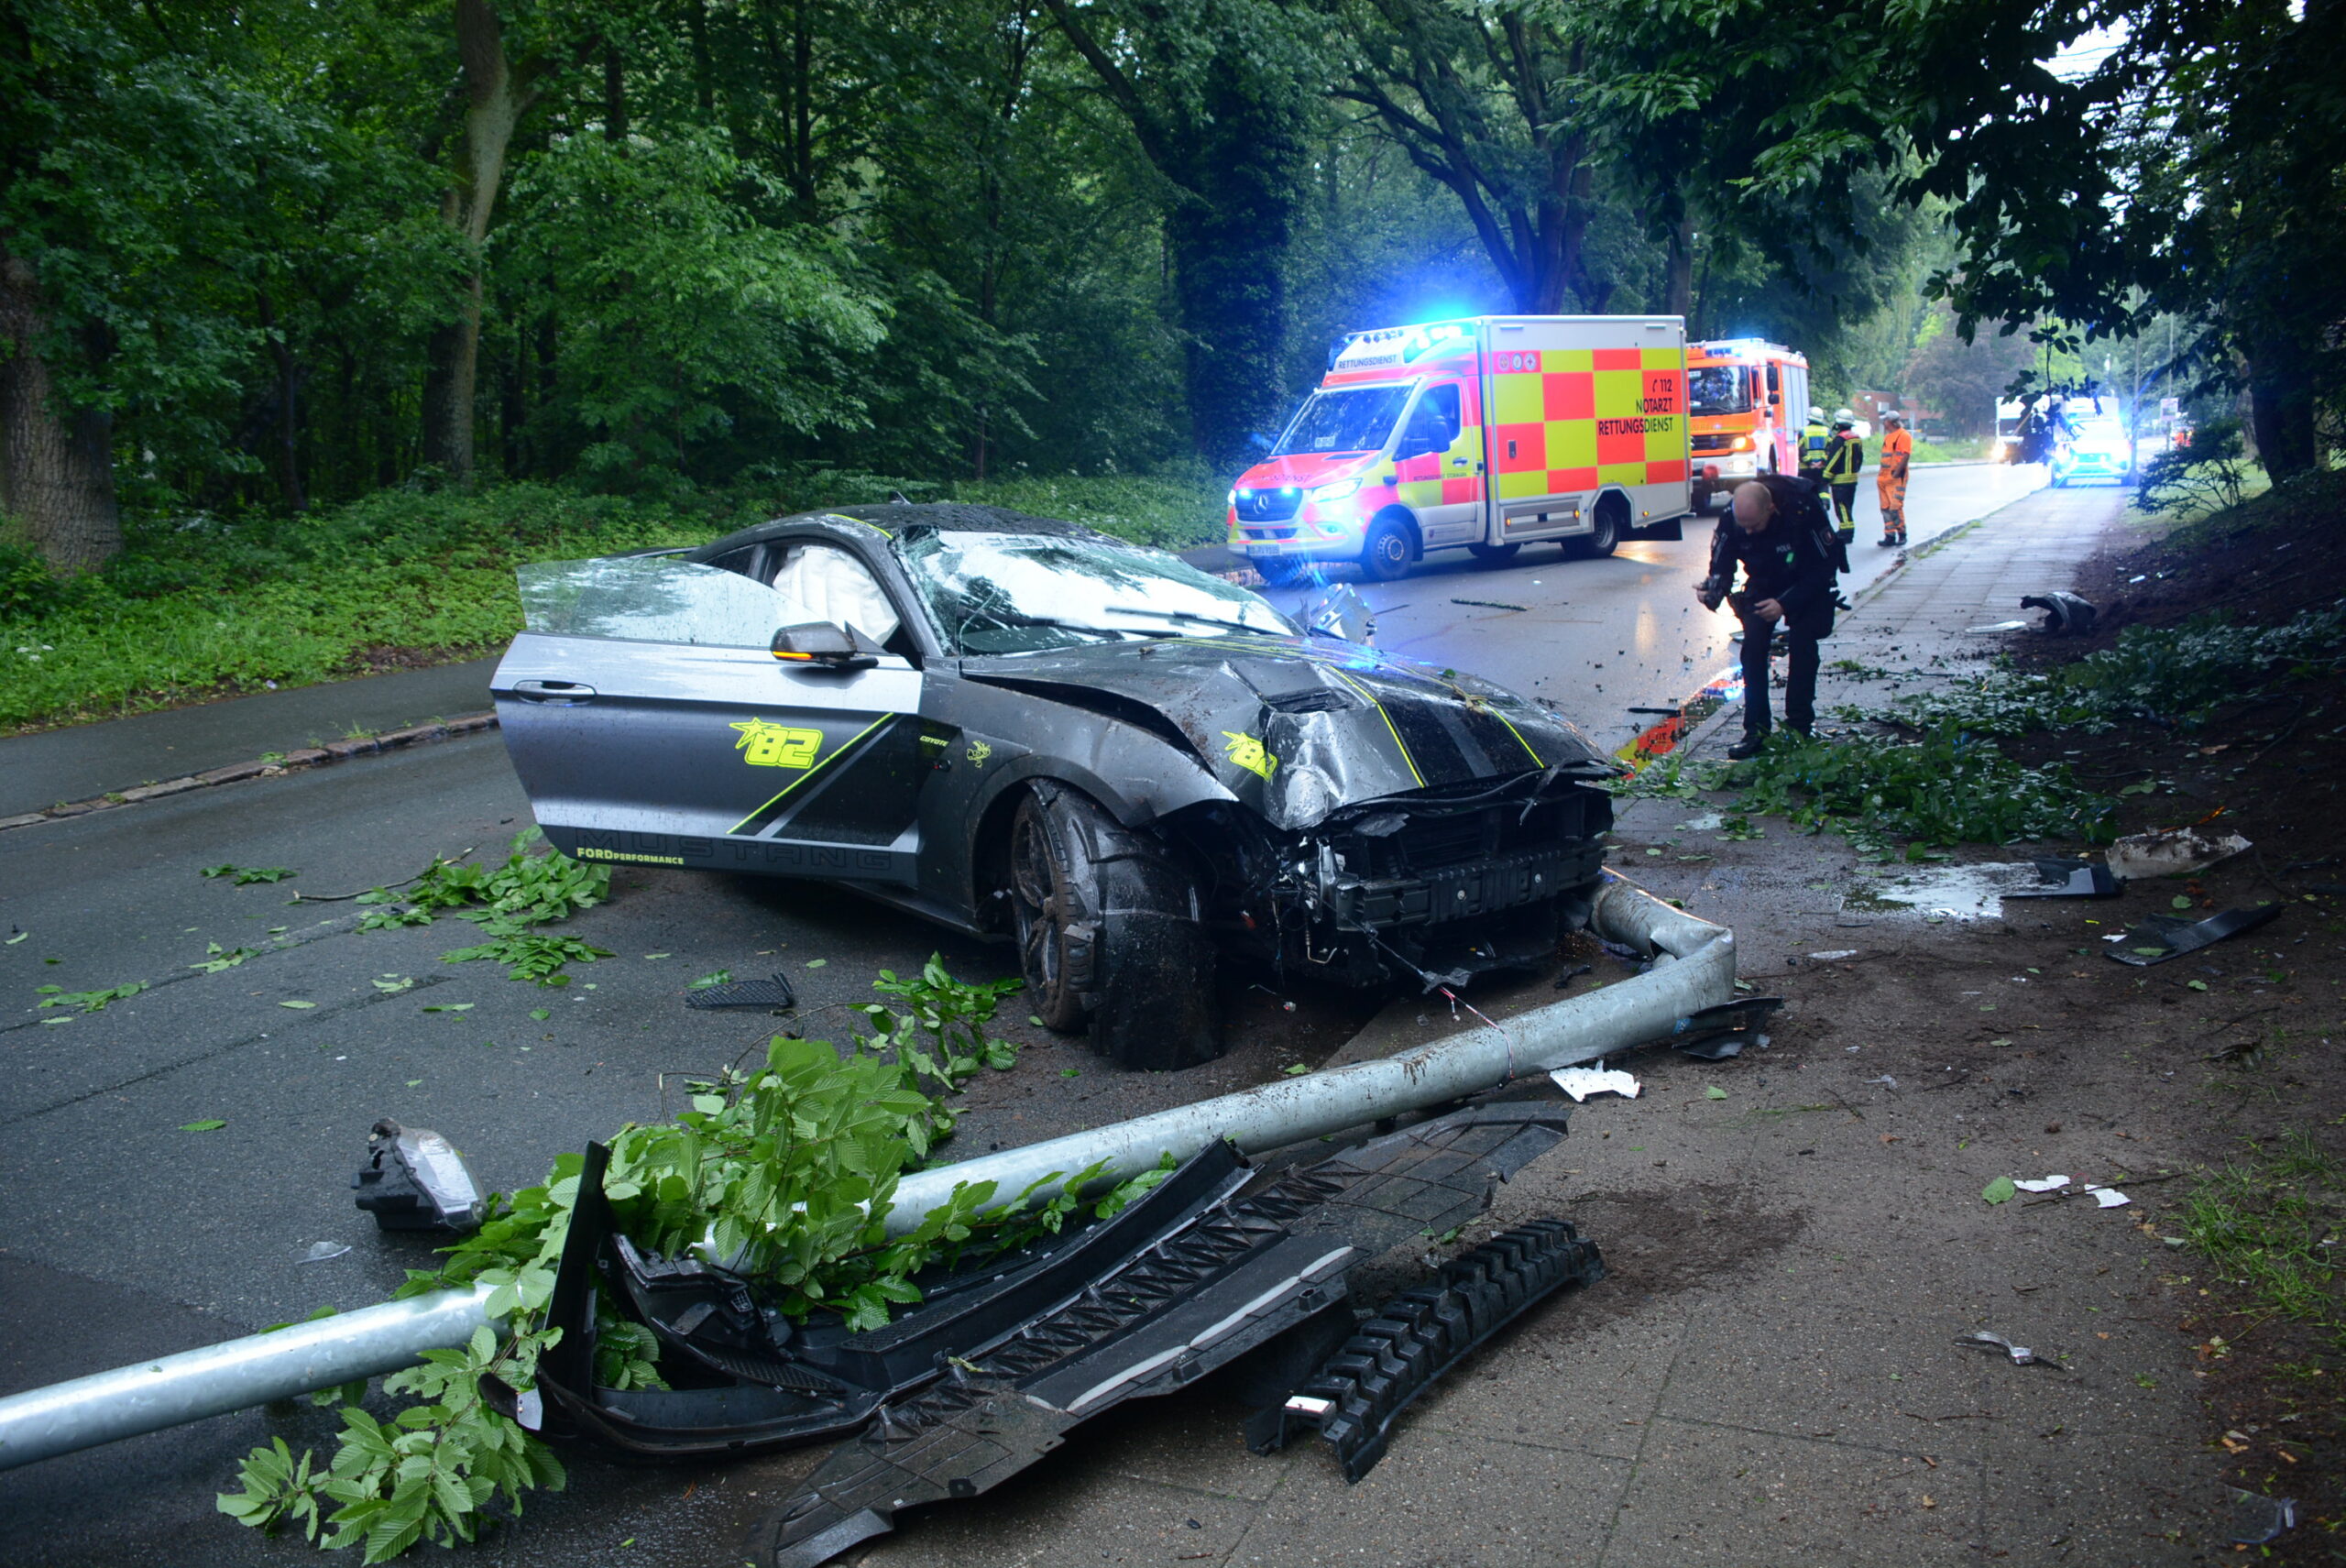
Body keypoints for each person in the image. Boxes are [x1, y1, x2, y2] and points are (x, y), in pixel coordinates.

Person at [1698, 477, 1839, 759]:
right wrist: (1712, 592)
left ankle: (1799, 728)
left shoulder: (1803, 510)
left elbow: (1826, 567)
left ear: (1771, 509)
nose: (1748, 533)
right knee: (1752, 651)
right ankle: (1756, 732)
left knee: (1803, 647)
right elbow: (1722, 565)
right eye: (1744, 526)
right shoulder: (1733, 516)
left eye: (1754, 525)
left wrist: (1785, 604)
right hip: (1764, 582)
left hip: (1806, 583)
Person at [1822, 411, 1863, 543]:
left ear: (1839, 423)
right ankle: (1844, 530)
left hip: (1840, 480)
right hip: (1852, 478)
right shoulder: (1856, 437)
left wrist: (1826, 476)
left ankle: (1846, 533)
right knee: (1848, 506)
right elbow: (1860, 458)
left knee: (1842, 507)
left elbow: (1834, 459)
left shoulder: (1840, 439)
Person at [1876, 411, 1913, 546]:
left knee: (1895, 508)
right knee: (1885, 508)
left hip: (1895, 478)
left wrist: (1896, 474)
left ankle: (1902, 534)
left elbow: (1905, 456)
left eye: (1884, 421)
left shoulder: (1903, 435)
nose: (1883, 423)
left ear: (1889, 422)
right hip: (1883, 477)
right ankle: (1889, 535)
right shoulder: (1889, 437)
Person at [1797, 405, 1831, 487]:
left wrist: (1810, 462)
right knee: (1822, 491)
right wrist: (1822, 462)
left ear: (1809, 418)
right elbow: (1830, 449)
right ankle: (1824, 500)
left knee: (1806, 492)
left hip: (1806, 469)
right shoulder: (1827, 431)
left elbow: (1801, 450)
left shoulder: (1803, 431)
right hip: (1822, 468)